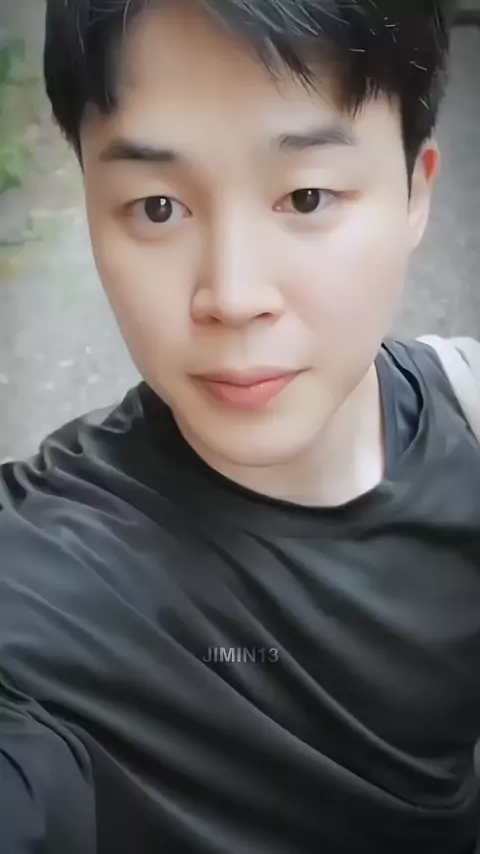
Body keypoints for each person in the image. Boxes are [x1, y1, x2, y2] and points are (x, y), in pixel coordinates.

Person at [1, 0, 479, 851]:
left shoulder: (470, 418)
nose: (232, 294)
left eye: (306, 195)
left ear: (416, 192)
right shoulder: (38, 576)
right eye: (157, 207)